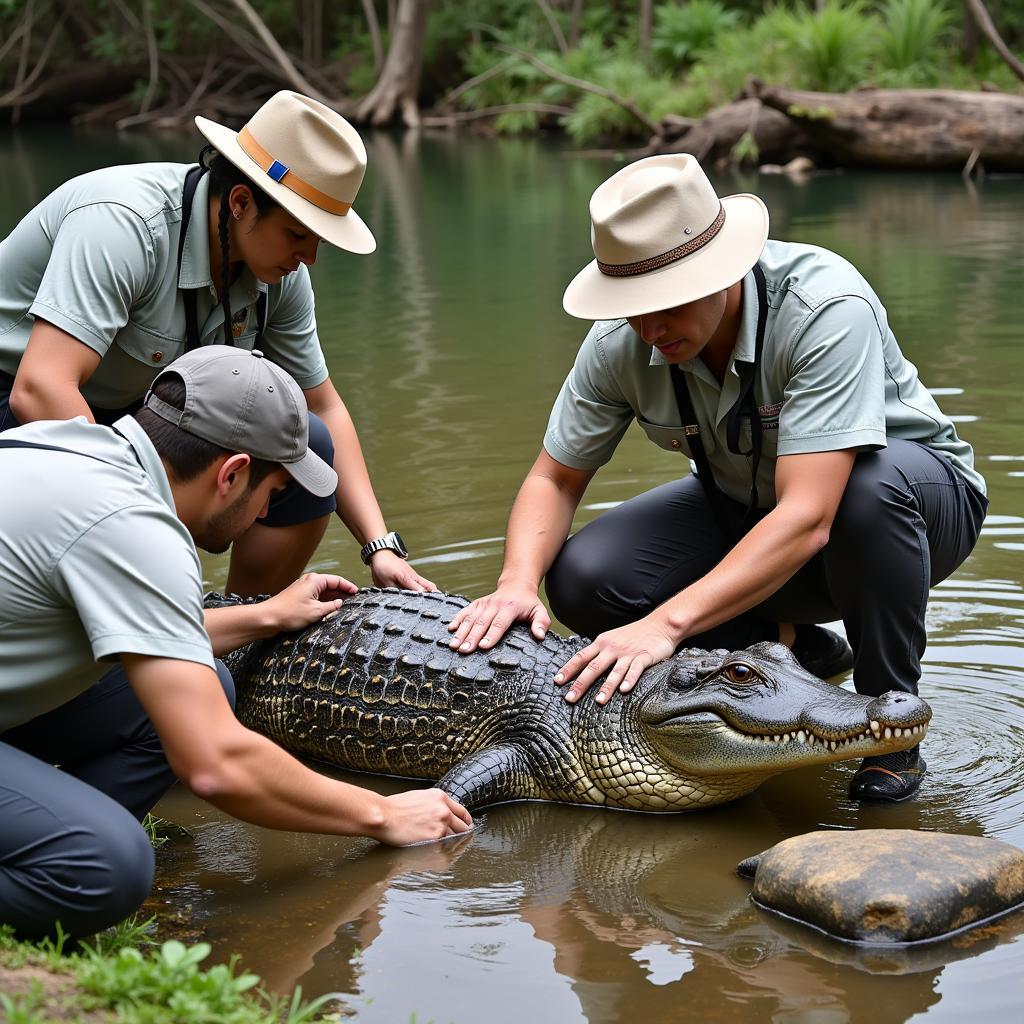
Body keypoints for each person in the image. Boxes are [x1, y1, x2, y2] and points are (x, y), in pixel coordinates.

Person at [448, 155, 987, 803]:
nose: (649, 330)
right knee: (584, 577)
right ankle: (789, 655)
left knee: (865, 495)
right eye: (632, 306)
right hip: (753, 511)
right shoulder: (622, 343)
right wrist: (515, 583)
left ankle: (891, 726)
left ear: (721, 271)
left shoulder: (824, 307)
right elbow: (555, 479)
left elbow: (809, 516)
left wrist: (666, 626)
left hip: (909, 511)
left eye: (665, 304)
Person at [0, 346, 471, 942]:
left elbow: (140, 636)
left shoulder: (69, 444)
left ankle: (39, 837)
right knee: (105, 867)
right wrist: (383, 812)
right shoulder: (135, 525)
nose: (267, 512)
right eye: (271, 494)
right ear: (232, 474)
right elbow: (216, 765)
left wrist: (267, 616)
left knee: (203, 687)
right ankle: (61, 853)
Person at [0, 90, 429, 597]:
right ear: (241, 201)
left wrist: (380, 547)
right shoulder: (124, 222)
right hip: (19, 398)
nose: (310, 256)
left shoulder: (279, 272)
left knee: (304, 444)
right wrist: (142, 533)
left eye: (319, 238)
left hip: (131, 410)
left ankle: (238, 630)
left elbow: (324, 406)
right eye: (298, 234)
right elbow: (39, 388)